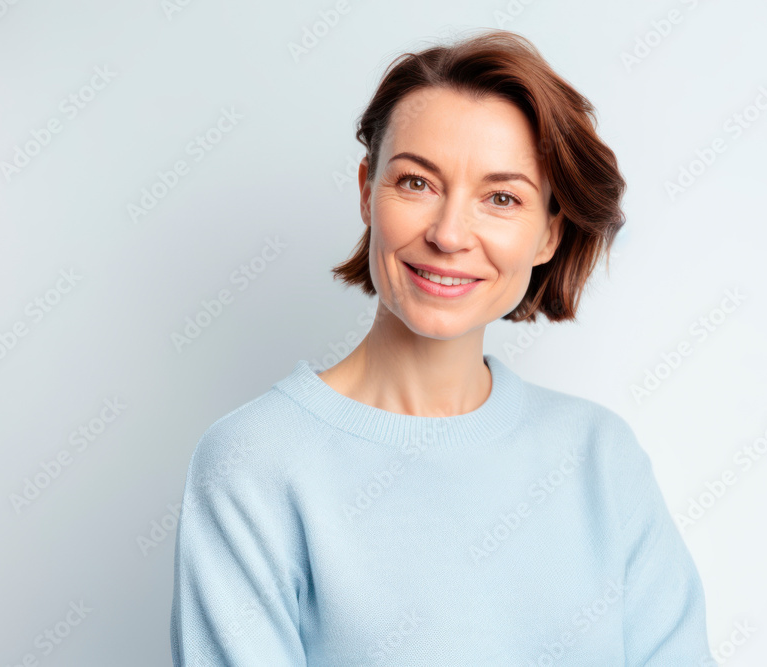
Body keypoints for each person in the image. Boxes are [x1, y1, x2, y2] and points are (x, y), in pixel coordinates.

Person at [171, 28, 716, 666]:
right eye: (417, 184)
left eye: (502, 198)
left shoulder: (601, 458)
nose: (451, 233)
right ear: (367, 191)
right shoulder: (254, 463)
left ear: (547, 235)